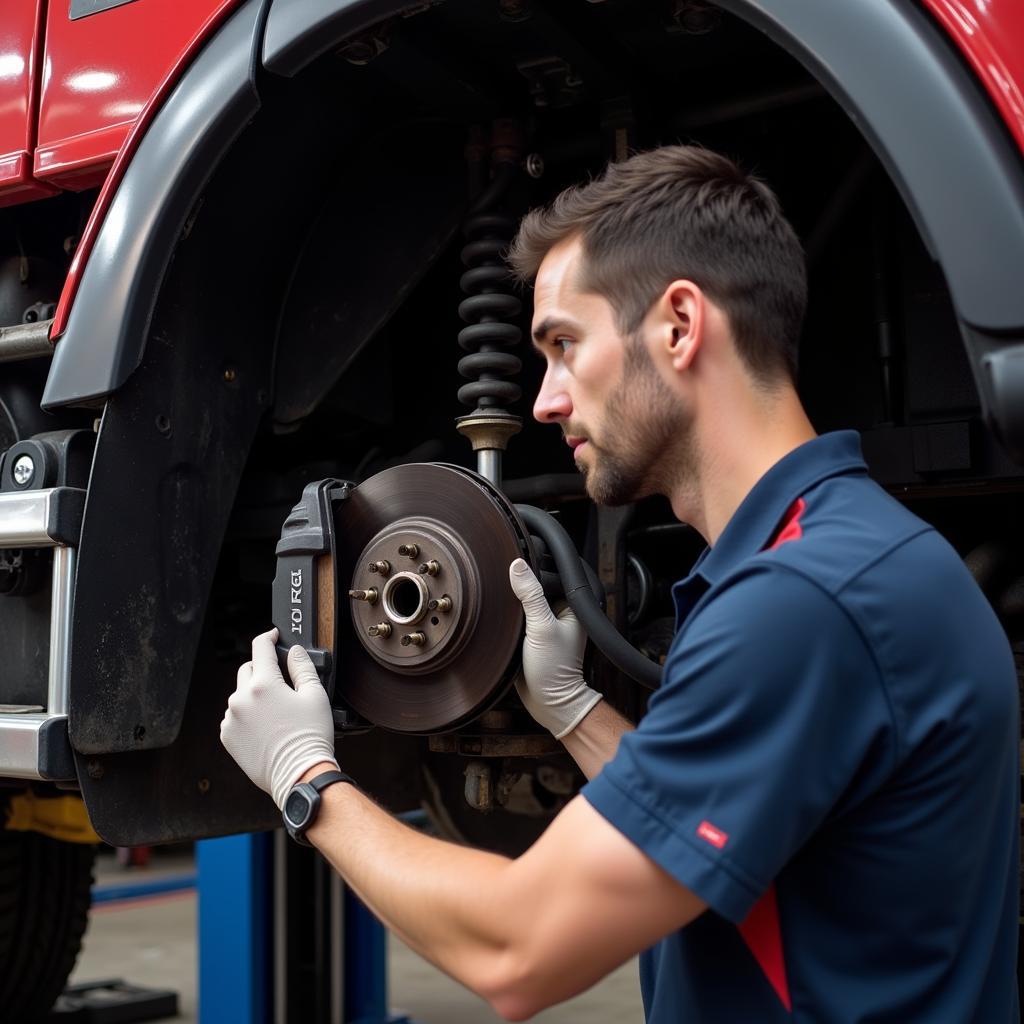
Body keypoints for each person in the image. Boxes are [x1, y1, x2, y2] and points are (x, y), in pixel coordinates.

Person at [221, 145, 1019, 1022]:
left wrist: (305, 779)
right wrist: (571, 710)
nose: (545, 402)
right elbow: (706, 823)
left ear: (679, 325)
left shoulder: (801, 608)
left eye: (564, 345)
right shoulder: (854, 558)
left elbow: (519, 950)